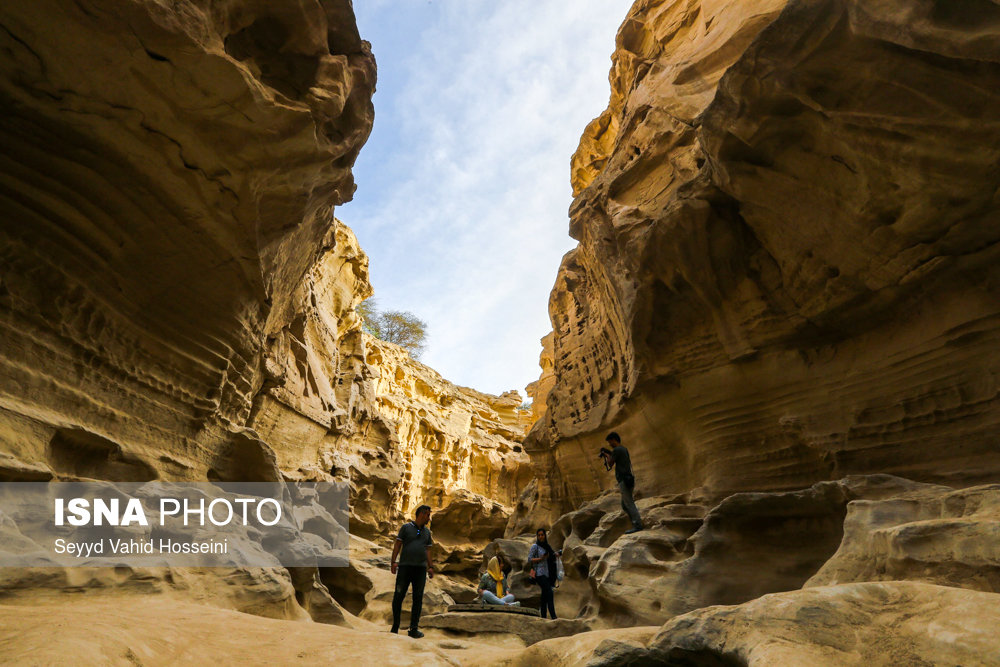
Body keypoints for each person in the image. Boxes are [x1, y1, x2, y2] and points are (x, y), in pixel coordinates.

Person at [390, 505, 435, 638]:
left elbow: (428, 550)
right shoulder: (406, 527)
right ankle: (395, 626)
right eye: (427, 515)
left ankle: (413, 629)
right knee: (398, 596)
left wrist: (430, 567)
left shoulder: (427, 532)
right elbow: (398, 544)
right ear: (421, 514)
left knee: (418, 598)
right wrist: (393, 562)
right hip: (405, 567)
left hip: (420, 570)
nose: (429, 518)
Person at [601, 432, 643, 534]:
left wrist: (606, 454)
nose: (609, 444)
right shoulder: (623, 449)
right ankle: (635, 523)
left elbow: (610, 463)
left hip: (624, 480)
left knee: (629, 503)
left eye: (610, 442)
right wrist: (610, 454)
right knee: (625, 505)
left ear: (614, 439)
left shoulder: (617, 450)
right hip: (629, 478)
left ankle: (637, 525)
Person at [527, 528, 561, 619]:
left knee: (544, 595)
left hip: (547, 574)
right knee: (549, 592)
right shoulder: (535, 546)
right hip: (539, 574)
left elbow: (551, 556)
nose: (541, 537)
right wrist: (540, 559)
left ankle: (543, 617)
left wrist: (556, 554)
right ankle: (553, 616)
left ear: (545, 536)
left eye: (542, 535)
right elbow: (529, 559)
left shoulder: (547, 546)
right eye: (539, 535)